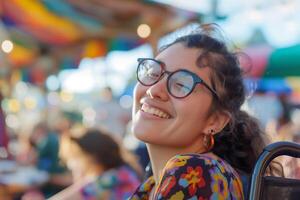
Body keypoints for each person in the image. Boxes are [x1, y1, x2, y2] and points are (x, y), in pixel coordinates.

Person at [129, 24, 281, 200]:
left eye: (181, 84)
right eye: (153, 72)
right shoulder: (151, 186)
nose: (154, 89)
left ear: (215, 120)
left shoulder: (197, 175)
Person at [49, 128, 141, 200]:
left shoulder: (110, 179)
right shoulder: (124, 172)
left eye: (75, 158)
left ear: (90, 157)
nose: (71, 165)